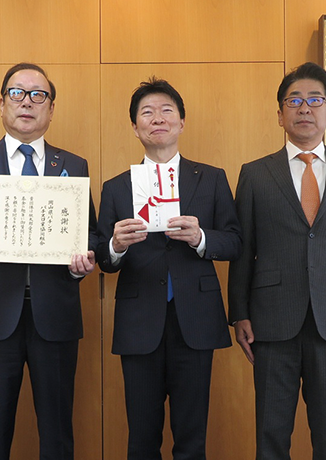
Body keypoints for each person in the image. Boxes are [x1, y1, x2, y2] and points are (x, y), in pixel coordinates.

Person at [0, 62, 97, 460]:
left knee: (58, 436)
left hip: (55, 315)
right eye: (17, 93)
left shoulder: (73, 165)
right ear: (2, 104)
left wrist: (85, 260)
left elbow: (89, 234)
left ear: (51, 108)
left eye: (38, 95)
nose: (27, 102)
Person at [227, 62, 326, 460]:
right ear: (280, 114)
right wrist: (239, 313)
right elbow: (243, 250)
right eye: (294, 101)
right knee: (271, 434)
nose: (304, 109)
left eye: (315, 100)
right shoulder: (256, 174)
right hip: (271, 321)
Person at [96, 77, 242, 459]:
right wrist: (115, 245)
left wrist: (201, 238)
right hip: (139, 321)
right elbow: (102, 258)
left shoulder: (211, 178)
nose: (157, 118)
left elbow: (234, 241)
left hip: (195, 319)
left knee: (191, 439)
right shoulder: (116, 187)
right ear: (135, 127)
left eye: (166, 111)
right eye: (147, 112)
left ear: (181, 122)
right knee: (141, 440)